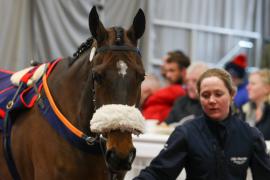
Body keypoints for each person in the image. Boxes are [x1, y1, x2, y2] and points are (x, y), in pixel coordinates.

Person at [134, 68, 270, 180]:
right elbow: (158, 173)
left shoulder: (250, 135)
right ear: (199, 97)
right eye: (205, 95)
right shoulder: (186, 133)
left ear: (232, 94)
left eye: (218, 94)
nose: (212, 100)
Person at [141, 50, 190, 122]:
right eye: (166, 71)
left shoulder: (182, 90)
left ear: (183, 71)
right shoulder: (167, 88)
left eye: (172, 70)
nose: (168, 75)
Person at [242, 69, 270, 140]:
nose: (247, 87)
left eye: (253, 84)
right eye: (248, 83)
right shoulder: (246, 109)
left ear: (267, 88)